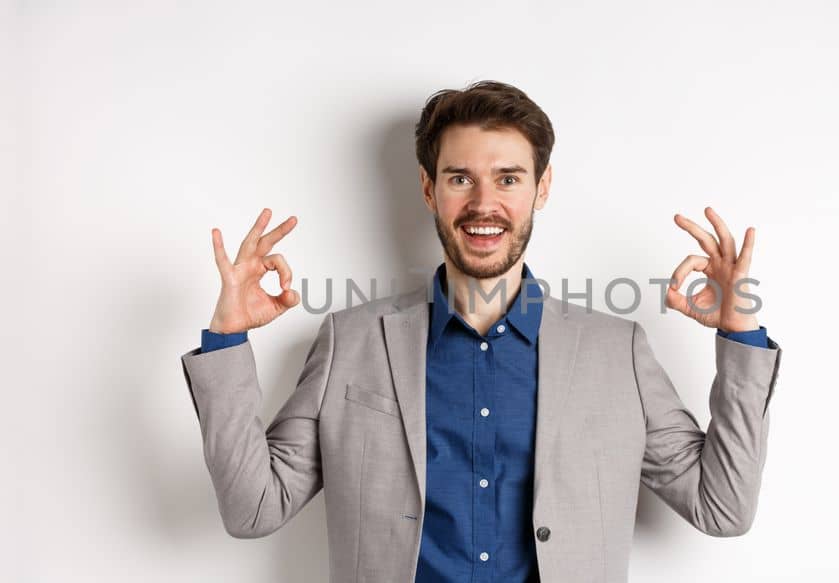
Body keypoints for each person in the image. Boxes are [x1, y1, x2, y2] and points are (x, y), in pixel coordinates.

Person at [178, 80, 783, 583]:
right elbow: (254, 509)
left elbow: (722, 507)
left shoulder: (615, 351)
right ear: (428, 189)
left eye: (509, 178)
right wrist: (228, 337)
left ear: (541, 188)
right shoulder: (351, 341)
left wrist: (740, 334)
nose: (484, 203)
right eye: (461, 178)